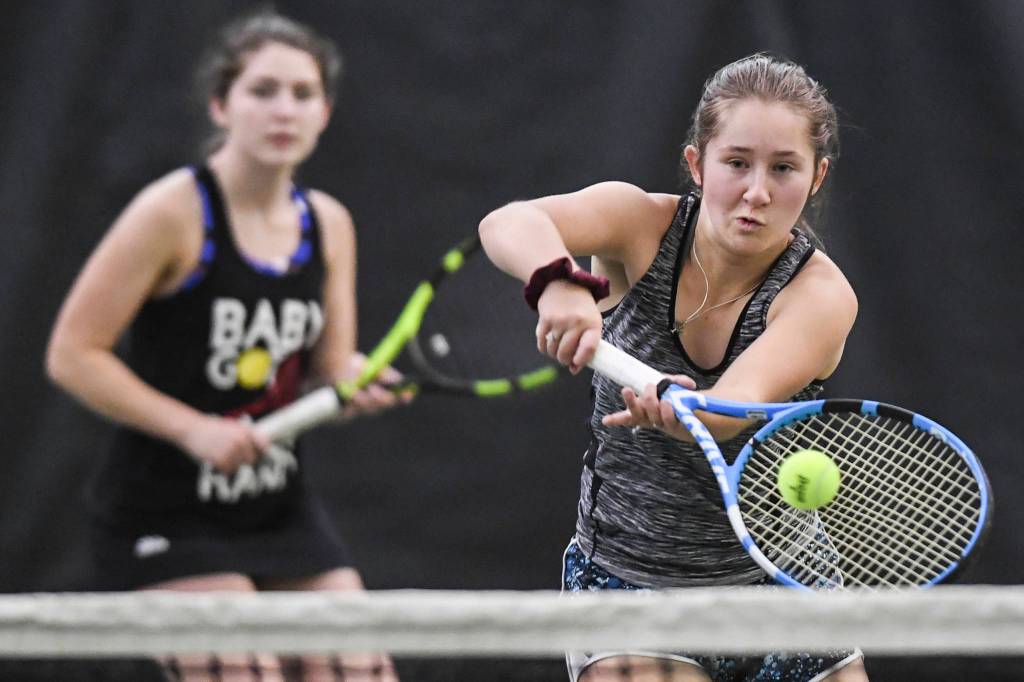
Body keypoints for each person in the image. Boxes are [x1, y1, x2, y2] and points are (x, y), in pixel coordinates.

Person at [479, 54, 867, 682]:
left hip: (784, 586)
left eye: (784, 168)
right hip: (630, 586)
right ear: (697, 164)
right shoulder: (638, 224)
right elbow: (510, 221)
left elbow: (727, 411)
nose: (757, 192)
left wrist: (683, 412)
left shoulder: (820, 297)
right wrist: (559, 282)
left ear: (817, 177)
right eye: (736, 163)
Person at [46, 11, 400, 682]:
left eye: (303, 94)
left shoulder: (328, 224)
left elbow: (329, 373)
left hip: (275, 507)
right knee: (244, 672)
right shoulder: (171, 213)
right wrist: (194, 430)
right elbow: (72, 353)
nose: (283, 110)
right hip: (164, 510)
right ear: (220, 103)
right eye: (262, 90)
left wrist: (357, 385)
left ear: (324, 112)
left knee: (362, 669)